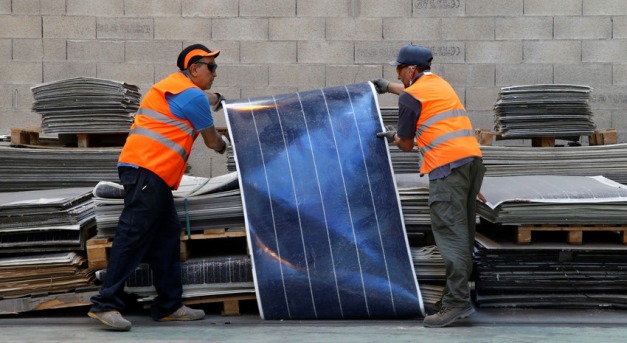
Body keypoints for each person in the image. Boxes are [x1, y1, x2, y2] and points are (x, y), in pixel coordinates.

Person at [88, 44, 230, 331]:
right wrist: (229, 144)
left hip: (152, 174)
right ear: (193, 69)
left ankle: (169, 305)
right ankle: (105, 304)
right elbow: (213, 141)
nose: (215, 72)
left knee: (166, 235)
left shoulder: (177, 87)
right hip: (147, 172)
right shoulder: (191, 96)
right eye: (210, 67)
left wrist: (218, 99)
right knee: (132, 235)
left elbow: (206, 97)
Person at [373, 44, 485, 328]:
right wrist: (388, 87)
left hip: (447, 169)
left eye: (398, 69)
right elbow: (413, 93)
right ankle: (455, 297)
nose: (397, 73)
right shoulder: (438, 84)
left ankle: (457, 303)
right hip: (470, 164)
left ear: (410, 70)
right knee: (464, 234)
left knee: (451, 236)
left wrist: (393, 137)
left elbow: (407, 145)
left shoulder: (411, 98)